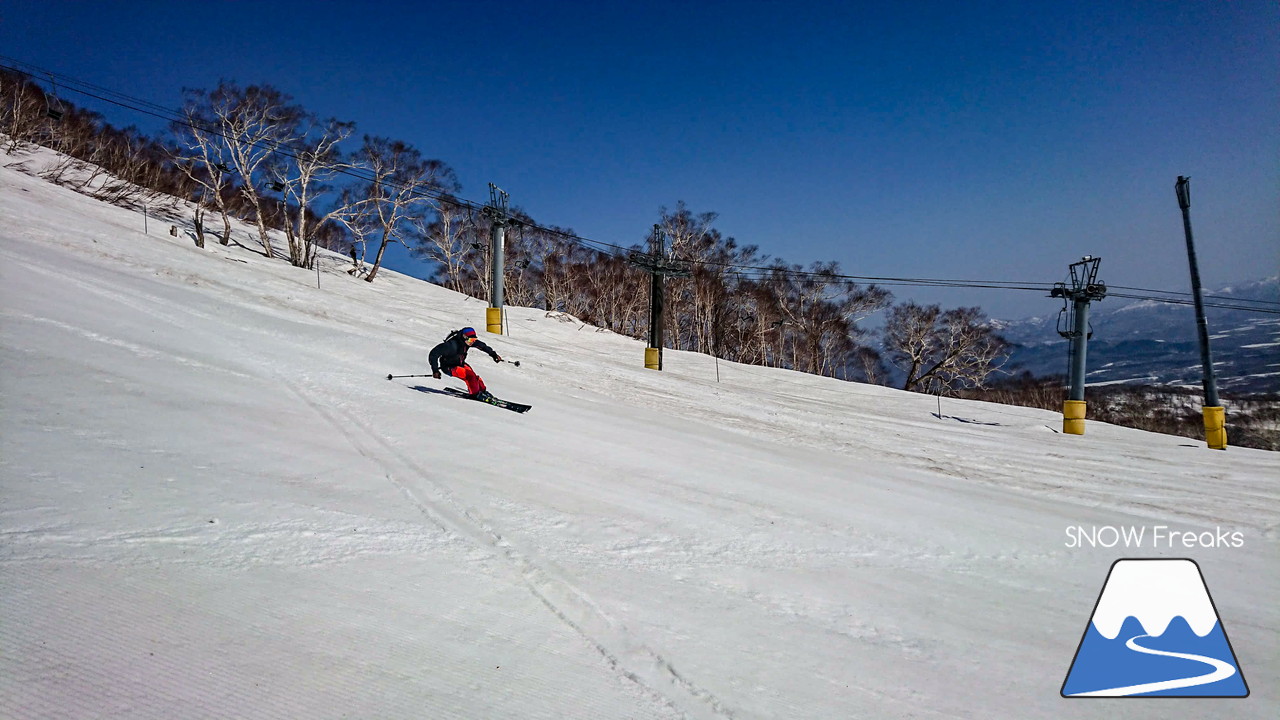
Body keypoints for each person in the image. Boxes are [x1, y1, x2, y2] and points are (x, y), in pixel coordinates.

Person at [429, 327, 504, 399]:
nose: (473, 341)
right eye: (471, 339)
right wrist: (435, 370)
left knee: (474, 375)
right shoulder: (451, 346)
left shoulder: (467, 342)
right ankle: (475, 394)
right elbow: (433, 354)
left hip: (460, 363)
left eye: (474, 339)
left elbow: (482, 346)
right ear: (464, 337)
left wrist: (493, 355)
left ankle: (482, 391)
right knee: (469, 376)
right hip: (449, 367)